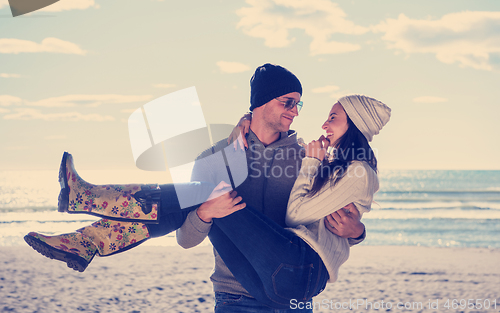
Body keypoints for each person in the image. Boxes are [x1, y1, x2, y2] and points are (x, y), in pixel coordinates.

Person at [24, 64, 381, 312]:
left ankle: (89, 226)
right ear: (260, 103)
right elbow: (186, 238)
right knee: (200, 194)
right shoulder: (214, 158)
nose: (296, 112)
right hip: (234, 297)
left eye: (298, 104)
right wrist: (206, 213)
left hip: (289, 296)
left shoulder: (307, 158)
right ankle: (87, 236)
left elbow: (327, 218)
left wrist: (358, 232)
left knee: (196, 190)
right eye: (288, 102)